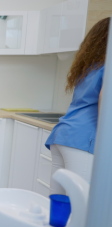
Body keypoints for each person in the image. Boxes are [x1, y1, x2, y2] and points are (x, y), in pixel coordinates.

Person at [45, 17, 109, 194]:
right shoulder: (108, 67)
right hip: (83, 139)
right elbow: (105, 98)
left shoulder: (89, 67)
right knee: (79, 200)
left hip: (63, 135)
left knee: (58, 199)